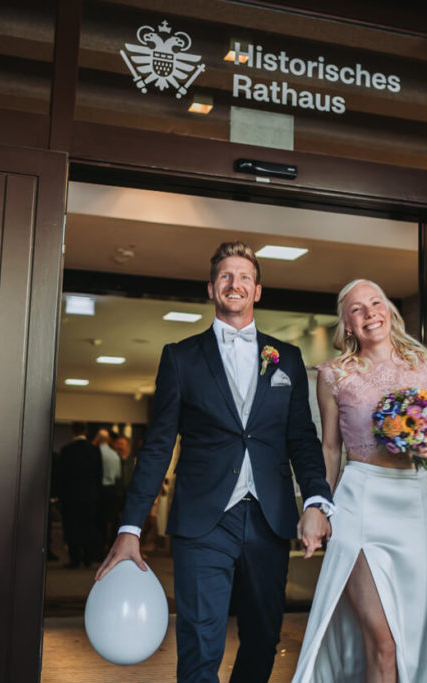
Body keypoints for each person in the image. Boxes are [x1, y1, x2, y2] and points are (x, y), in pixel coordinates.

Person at [96, 241, 335, 683]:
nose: (234, 284)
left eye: (244, 277)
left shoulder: (287, 358)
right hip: (203, 520)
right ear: (211, 288)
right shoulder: (180, 357)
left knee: (263, 637)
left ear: (257, 291)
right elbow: (158, 446)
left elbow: (303, 439)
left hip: (269, 518)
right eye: (226, 276)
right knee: (200, 643)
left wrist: (316, 500)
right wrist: (130, 527)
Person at [292, 279, 427, 683]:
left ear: (389, 311)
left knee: (411, 637)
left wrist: (423, 439)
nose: (369, 312)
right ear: (347, 325)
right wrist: (318, 508)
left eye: (375, 303)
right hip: (360, 501)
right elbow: (330, 449)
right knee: (382, 641)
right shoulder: (334, 376)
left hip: (414, 505)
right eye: (357, 308)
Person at [58, 421, 103, 568]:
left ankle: (75, 559)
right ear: (86, 431)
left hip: (71, 496)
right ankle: (88, 558)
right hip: (90, 496)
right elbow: (99, 474)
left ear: (72, 431)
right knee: (88, 527)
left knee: (72, 527)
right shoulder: (94, 450)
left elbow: (61, 476)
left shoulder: (66, 450)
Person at [94, 428, 122, 541]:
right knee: (109, 519)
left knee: (97, 519)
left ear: (97, 438)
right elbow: (117, 475)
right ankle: (108, 542)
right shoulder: (115, 455)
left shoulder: (95, 452)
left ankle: (98, 542)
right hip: (111, 490)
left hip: (97, 489)